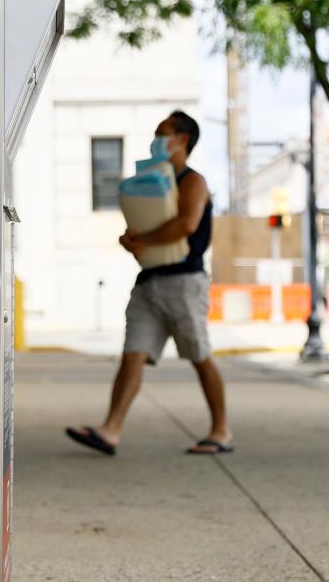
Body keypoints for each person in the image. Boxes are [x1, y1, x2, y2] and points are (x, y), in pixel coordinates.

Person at [66, 110, 233, 455]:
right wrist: (133, 241)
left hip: (184, 282)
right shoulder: (152, 179)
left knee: (199, 355)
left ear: (182, 139)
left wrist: (144, 239)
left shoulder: (193, 181)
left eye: (163, 133)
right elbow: (151, 231)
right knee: (132, 355)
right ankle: (110, 430)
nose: (156, 140)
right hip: (148, 281)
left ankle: (221, 431)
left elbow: (186, 224)